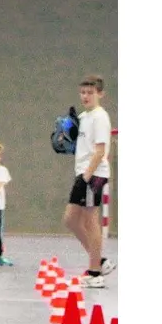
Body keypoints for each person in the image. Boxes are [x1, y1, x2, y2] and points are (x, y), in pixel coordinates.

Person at [63, 75, 116, 288]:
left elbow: (100, 151)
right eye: (83, 92)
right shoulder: (85, 117)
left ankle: (95, 273)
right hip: (83, 172)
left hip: (92, 174)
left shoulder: (99, 117)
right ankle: (100, 261)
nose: (85, 96)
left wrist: (86, 177)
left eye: (90, 93)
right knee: (70, 220)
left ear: (100, 94)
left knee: (90, 221)